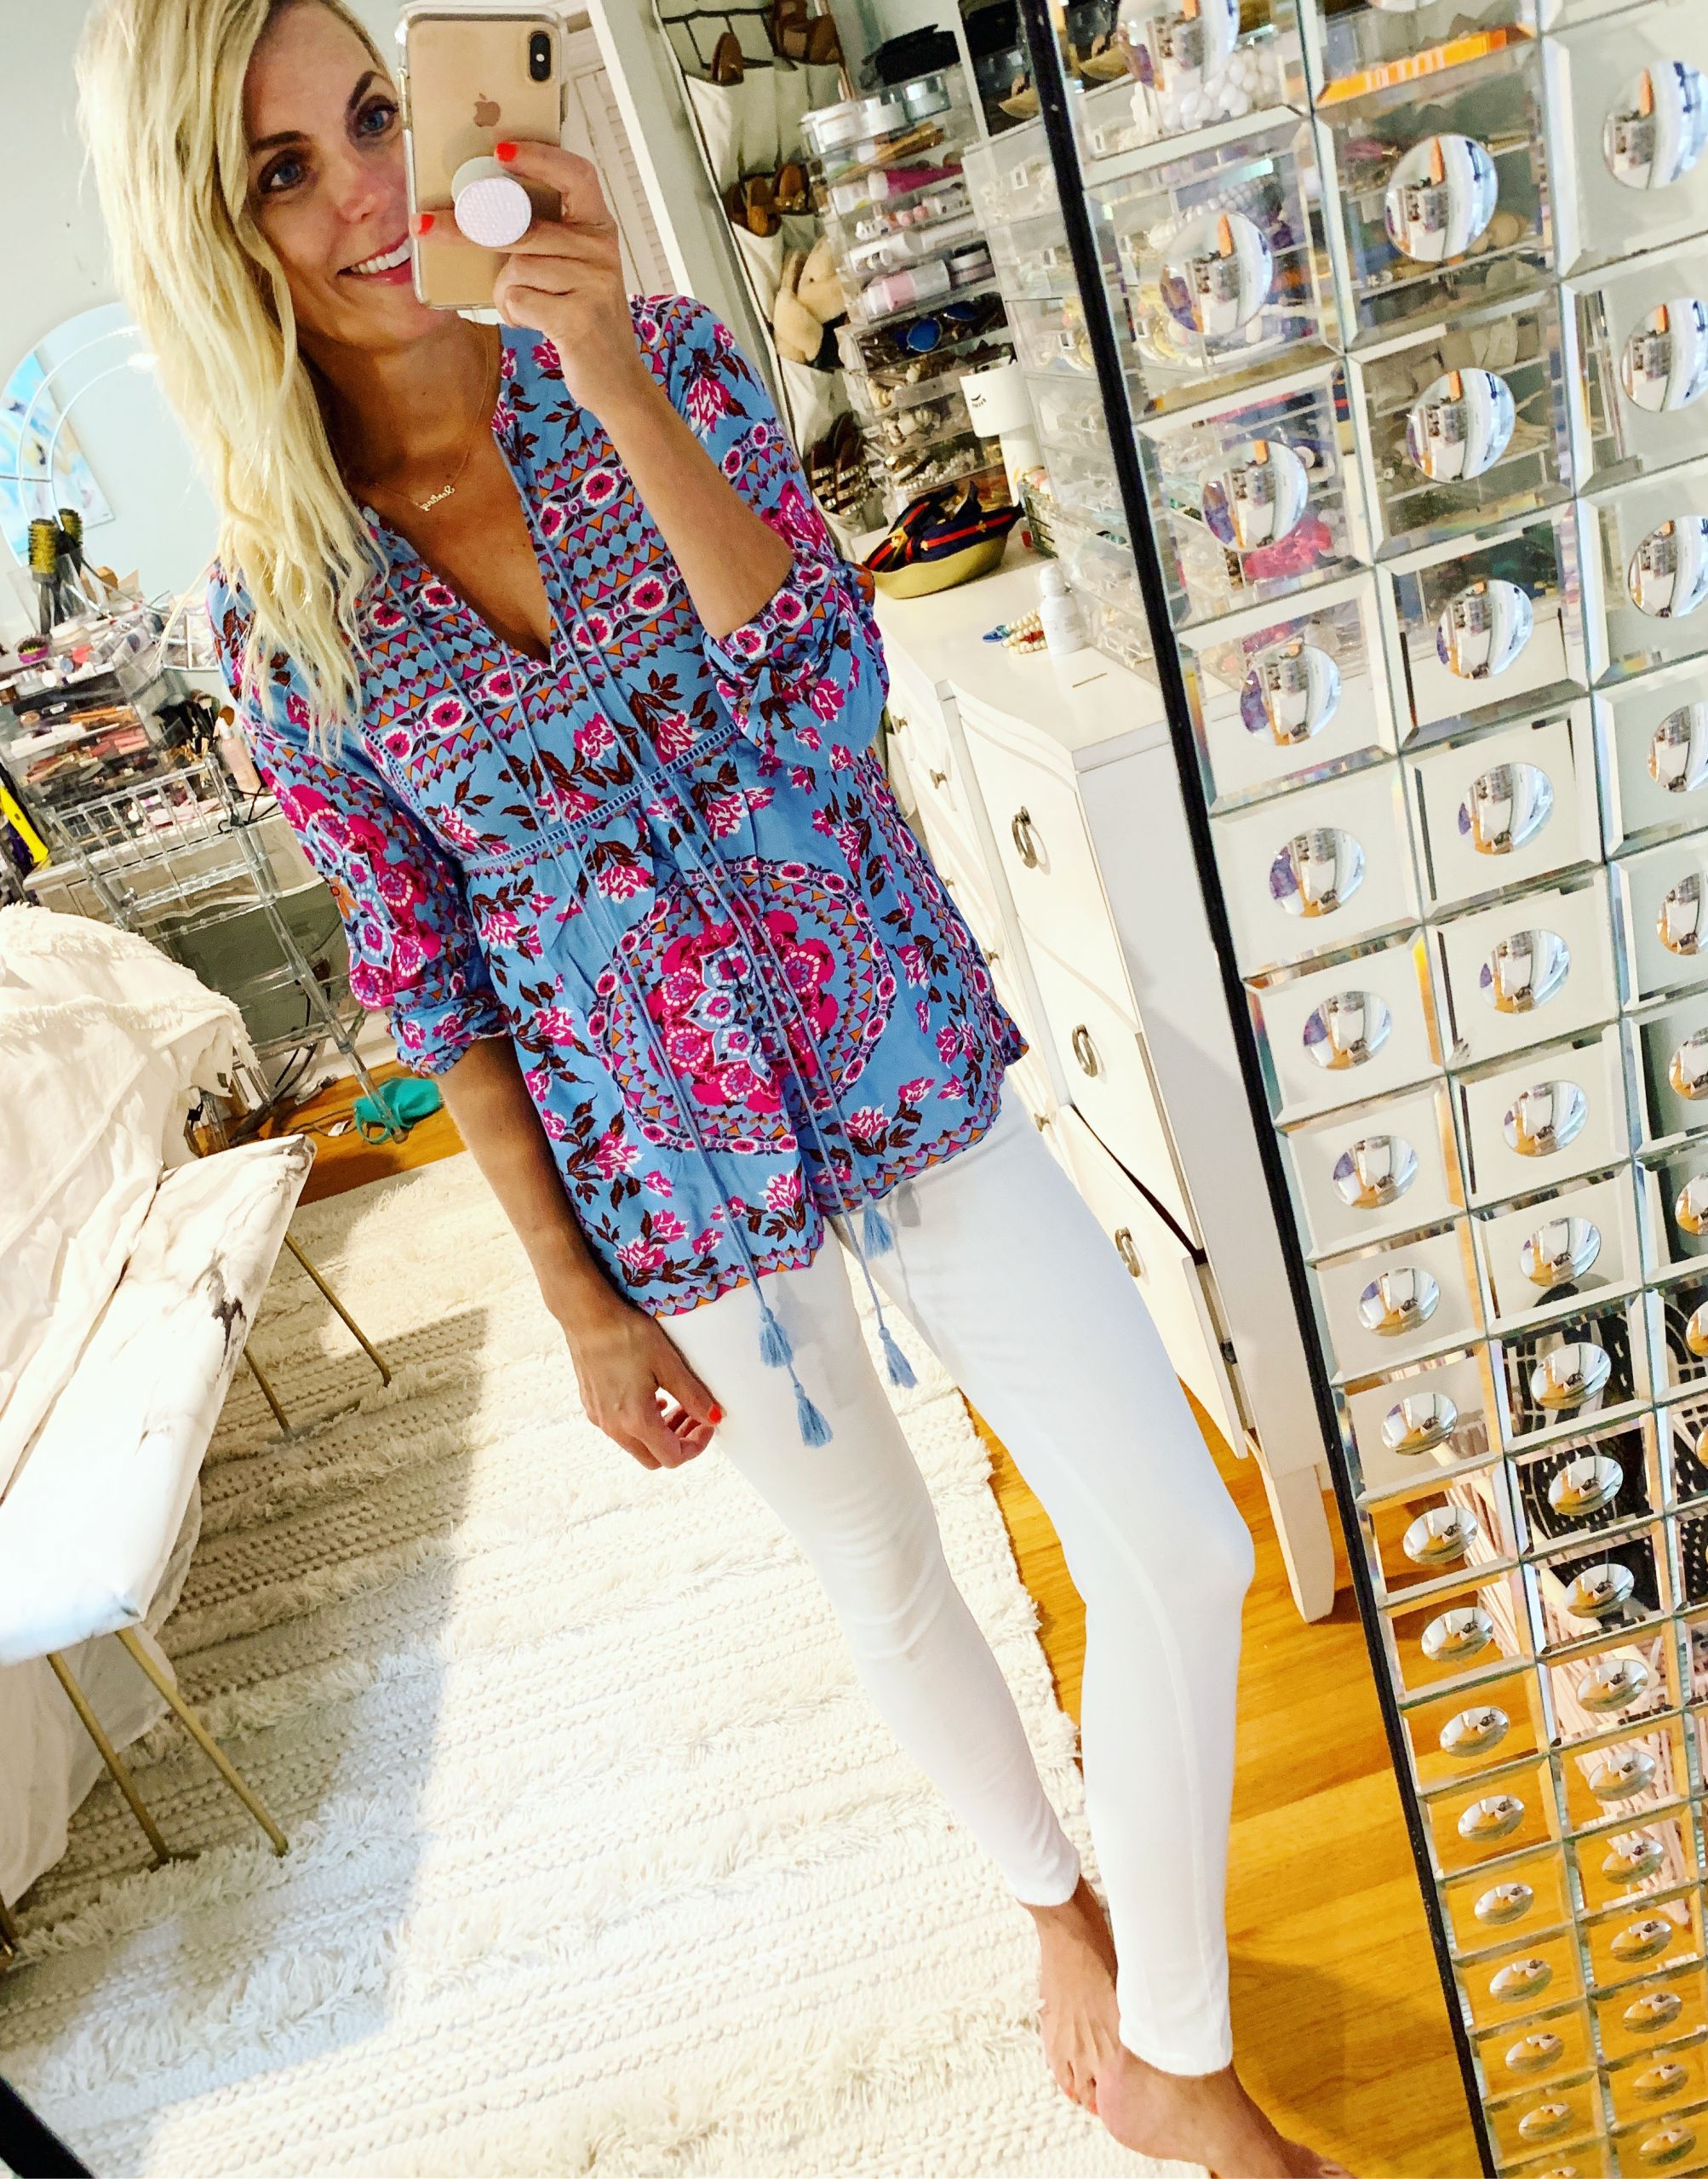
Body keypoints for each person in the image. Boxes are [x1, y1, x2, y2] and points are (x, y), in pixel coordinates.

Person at [77, 4, 1350, 2171]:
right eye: (282, 170)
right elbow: (432, 979)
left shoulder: (657, 357)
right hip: (664, 1183)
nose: (369, 189)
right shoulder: (282, 616)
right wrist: (574, 1300)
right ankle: (1058, 1909)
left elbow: (828, 700)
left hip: (894, 1049)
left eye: (374, 113)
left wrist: (613, 384)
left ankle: (1173, 2057)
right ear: (219, 240)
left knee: (1172, 1531)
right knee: (883, 1563)